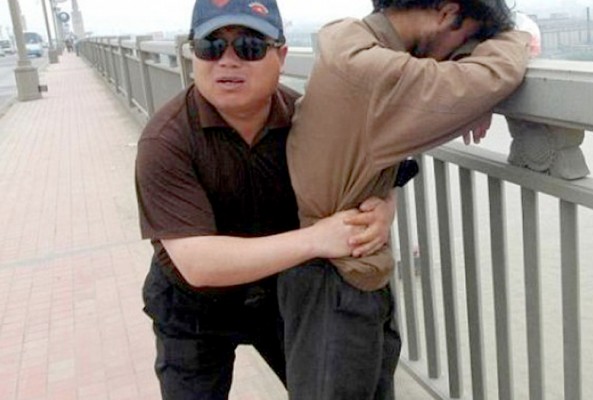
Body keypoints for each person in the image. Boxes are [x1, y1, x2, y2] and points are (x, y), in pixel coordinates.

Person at [134, 0, 400, 398]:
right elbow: (197, 263)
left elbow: (371, 168)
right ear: (192, 55)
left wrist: (384, 207)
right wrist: (317, 239)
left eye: (249, 47)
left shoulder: (308, 118)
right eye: (210, 46)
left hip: (282, 293)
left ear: (282, 55)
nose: (227, 60)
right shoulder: (166, 140)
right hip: (193, 306)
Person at [279, 0, 532, 399]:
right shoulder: (372, 73)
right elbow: (493, 74)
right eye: (466, 38)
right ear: (448, 13)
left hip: (336, 271)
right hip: (337, 284)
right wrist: (516, 41)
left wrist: (466, 76)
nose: (457, 53)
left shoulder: (355, 42)